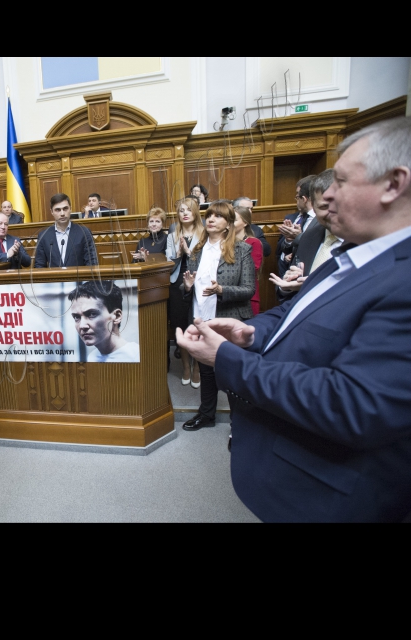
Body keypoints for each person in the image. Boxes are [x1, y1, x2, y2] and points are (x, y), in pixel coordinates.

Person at [176, 117, 411, 523]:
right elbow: (295, 310)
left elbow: (353, 404)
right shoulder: (351, 252)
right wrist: (251, 332)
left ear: (393, 184)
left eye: (340, 181)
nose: (325, 196)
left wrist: (230, 360)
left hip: (337, 497)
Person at [180, 202, 255, 432]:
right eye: (209, 215)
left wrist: (222, 291)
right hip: (202, 318)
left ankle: (238, 425)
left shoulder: (242, 249)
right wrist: (187, 286)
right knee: (206, 371)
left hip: (228, 319)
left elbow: (249, 289)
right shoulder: (196, 251)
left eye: (218, 216)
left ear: (228, 224)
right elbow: (188, 290)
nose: (211, 219)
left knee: (230, 373)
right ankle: (206, 414)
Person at [270, 169, 344, 297]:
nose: (333, 213)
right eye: (324, 207)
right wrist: (287, 286)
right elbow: (288, 298)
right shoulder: (308, 237)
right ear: (313, 207)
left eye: (339, 204)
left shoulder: (366, 240)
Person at [166, 198, 205, 386]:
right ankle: (186, 367)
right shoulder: (173, 234)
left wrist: (189, 252)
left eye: (188, 210)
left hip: (198, 283)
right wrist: (179, 254)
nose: (184, 213)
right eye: (181, 210)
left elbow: (206, 262)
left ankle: (197, 367)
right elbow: (168, 265)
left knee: (197, 324)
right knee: (180, 325)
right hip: (176, 284)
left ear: (195, 212)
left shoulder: (204, 233)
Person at [69, 282, 140, 363]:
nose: (82, 326)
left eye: (92, 314)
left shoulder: (137, 356)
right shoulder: (92, 357)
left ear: (117, 316)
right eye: (76, 317)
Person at [35, 194, 98, 268]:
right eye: (57, 210)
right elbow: (39, 265)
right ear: (51, 212)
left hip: (79, 279)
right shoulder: (44, 235)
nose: (62, 214)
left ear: (70, 209)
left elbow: (92, 263)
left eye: (65, 209)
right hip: (55, 279)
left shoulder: (84, 232)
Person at [276, 175, 317, 277]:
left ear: (304, 199)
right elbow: (281, 249)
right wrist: (289, 240)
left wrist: (299, 236)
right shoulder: (296, 218)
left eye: (297, 196)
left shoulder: (321, 219)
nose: (296, 200)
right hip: (289, 272)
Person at [233, 206, 264, 316]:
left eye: (234, 220)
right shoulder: (224, 243)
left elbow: (253, 268)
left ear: (245, 223)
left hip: (248, 297)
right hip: (229, 297)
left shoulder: (253, 242)